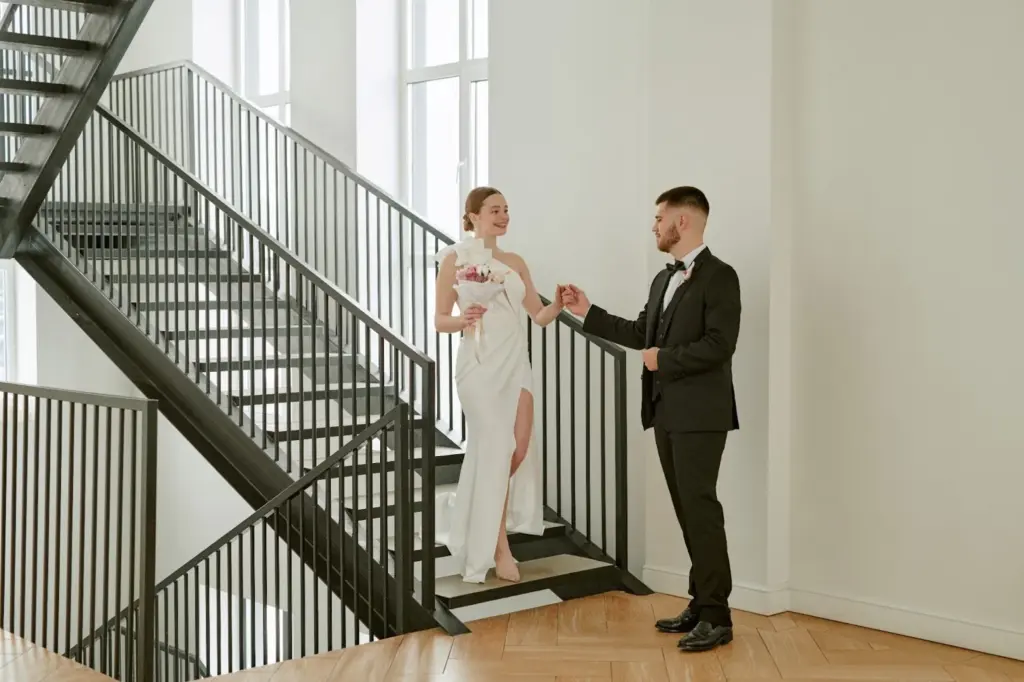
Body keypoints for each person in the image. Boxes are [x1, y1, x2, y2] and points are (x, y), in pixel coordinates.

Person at [561, 186, 741, 652]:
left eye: (659, 217)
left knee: (701, 510)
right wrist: (587, 312)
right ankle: (701, 603)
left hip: (702, 414)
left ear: (682, 221)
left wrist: (665, 359)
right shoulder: (663, 279)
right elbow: (641, 333)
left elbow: (721, 345)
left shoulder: (721, 277)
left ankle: (718, 616)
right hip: (664, 412)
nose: (654, 225)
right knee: (687, 512)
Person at [433, 186, 563, 583]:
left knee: (518, 450)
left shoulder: (514, 261)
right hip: (478, 364)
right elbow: (440, 319)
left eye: (506, 209)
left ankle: (479, 514)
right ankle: (497, 543)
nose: (503, 216)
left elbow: (537, 315)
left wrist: (557, 303)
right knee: (496, 446)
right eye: (494, 209)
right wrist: (465, 318)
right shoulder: (454, 259)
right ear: (472, 215)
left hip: (515, 363)